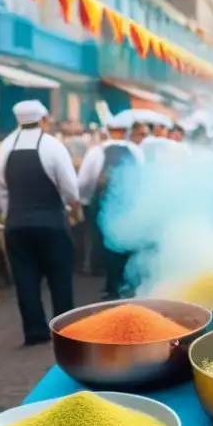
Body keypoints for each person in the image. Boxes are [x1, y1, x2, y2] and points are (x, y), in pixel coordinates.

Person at [0, 101, 81, 346]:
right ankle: (65, 330)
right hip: (51, 222)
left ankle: (34, 331)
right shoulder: (53, 146)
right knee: (60, 277)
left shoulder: (5, 147)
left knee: (25, 280)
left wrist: (8, 213)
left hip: (17, 224)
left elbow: (0, 186)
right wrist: (73, 213)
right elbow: (71, 189)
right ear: (43, 119)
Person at [78, 111, 144, 299]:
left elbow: (84, 182)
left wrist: (86, 201)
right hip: (128, 205)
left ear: (107, 131)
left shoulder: (97, 151)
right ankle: (124, 283)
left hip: (103, 205)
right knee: (125, 243)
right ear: (126, 132)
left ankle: (110, 284)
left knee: (105, 244)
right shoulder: (136, 151)